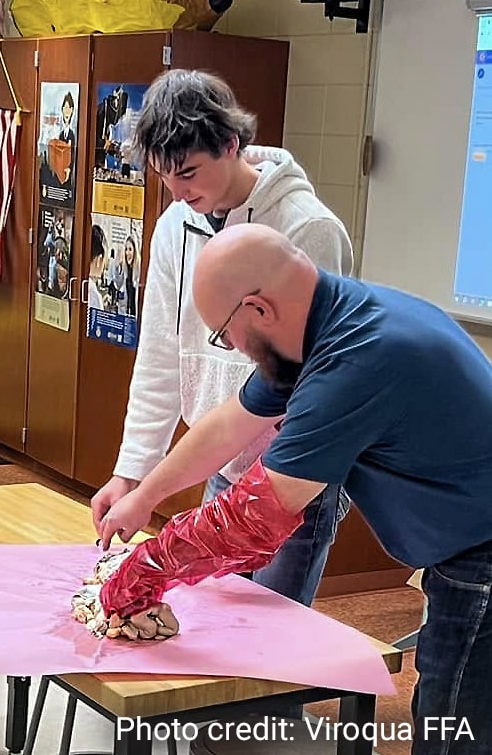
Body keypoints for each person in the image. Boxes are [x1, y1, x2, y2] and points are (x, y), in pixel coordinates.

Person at [100, 223, 492, 754]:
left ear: (259, 309)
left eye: (225, 334)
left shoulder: (357, 360)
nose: (234, 348)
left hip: (480, 553)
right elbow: (228, 426)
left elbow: (252, 517)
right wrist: (142, 496)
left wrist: (143, 571)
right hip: (462, 541)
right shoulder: (322, 322)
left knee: (452, 727)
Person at [92, 69, 353, 608]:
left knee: (270, 651)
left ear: (232, 144)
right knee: (215, 639)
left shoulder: (307, 228)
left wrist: (155, 488)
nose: (178, 191)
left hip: (294, 472)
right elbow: (160, 356)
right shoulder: (173, 224)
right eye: (165, 176)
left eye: (188, 172)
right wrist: (131, 474)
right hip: (222, 465)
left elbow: (307, 385)